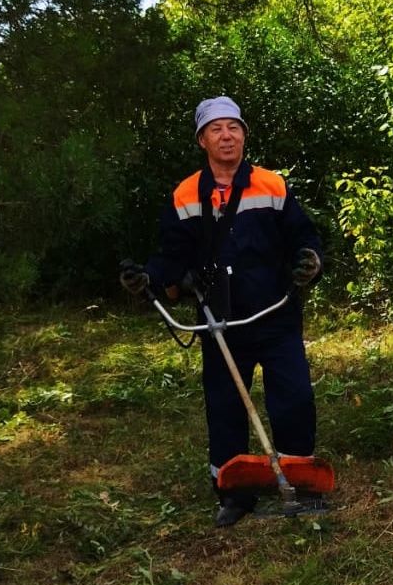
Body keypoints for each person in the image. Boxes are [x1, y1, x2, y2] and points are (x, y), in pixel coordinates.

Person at [120, 96, 324, 526]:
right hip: (221, 318)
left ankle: (300, 484)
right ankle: (234, 492)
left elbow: (304, 237)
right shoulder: (184, 195)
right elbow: (171, 257)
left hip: (276, 311)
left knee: (294, 398)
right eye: (216, 129)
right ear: (202, 139)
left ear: (244, 135)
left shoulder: (272, 185)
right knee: (226, 404)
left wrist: (309, 261)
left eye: (233, 127)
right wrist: (149, 279)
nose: (226, 135)